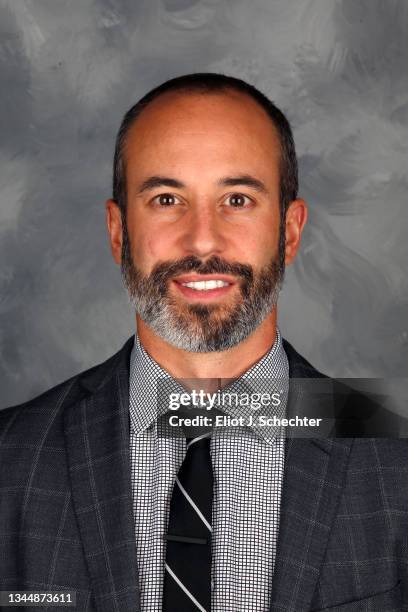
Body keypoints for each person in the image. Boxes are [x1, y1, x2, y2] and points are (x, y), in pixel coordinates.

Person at [0, 73, 407, 612]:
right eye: (167, 198)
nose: (203, 240)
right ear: (118, 231)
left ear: (289, 231)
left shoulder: (395, 456)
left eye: (237, 199)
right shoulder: (11, 459)